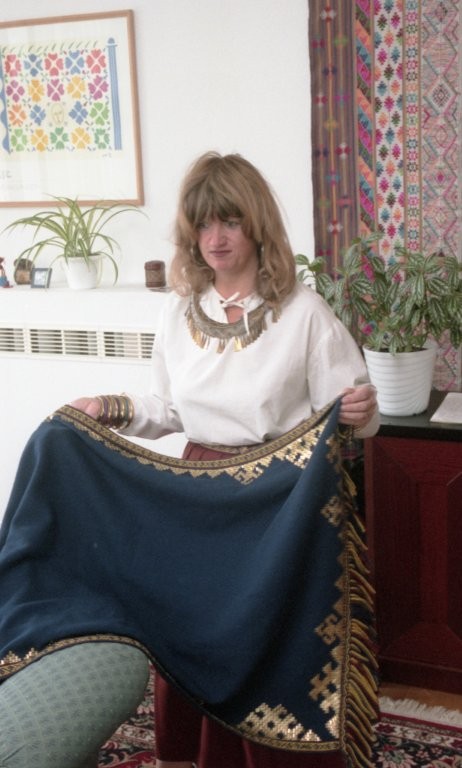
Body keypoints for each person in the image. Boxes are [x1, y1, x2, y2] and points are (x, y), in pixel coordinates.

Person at [0, 152, 379, 768]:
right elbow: (168, 408)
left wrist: (362, 411)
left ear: (256, 224)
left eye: (229, 221)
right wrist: (106, 407)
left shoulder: (304, 313)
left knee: (261, 639)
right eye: (203, 224)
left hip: (276, 506)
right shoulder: (177, 312)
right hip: (197, 495)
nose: (215, 238)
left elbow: (352, 413)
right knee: (185, 626)